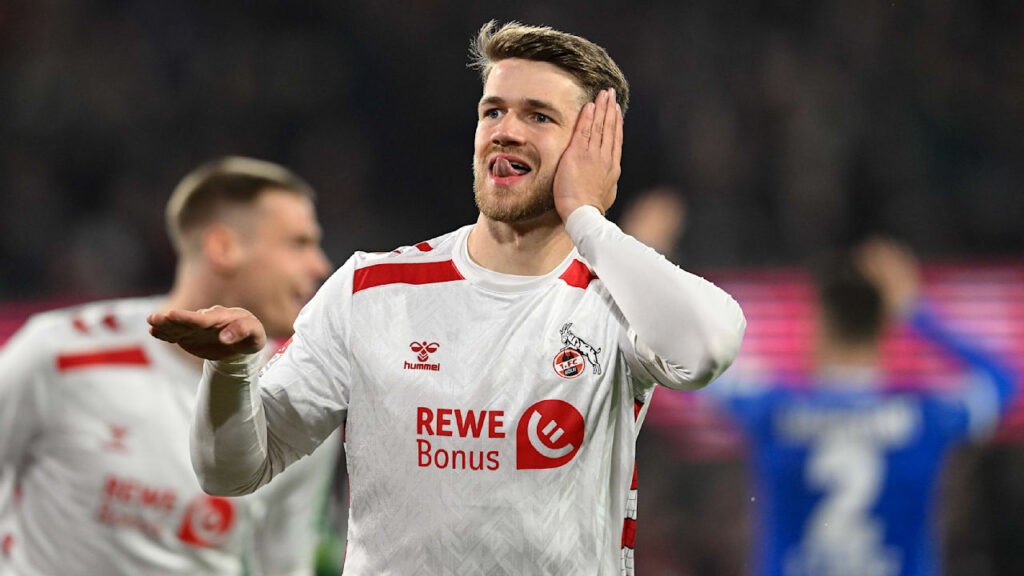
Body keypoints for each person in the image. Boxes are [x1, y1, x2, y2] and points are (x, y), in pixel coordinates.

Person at [150, 21, 747, 575]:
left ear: (593, 147)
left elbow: (707, 349)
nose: (506, 130)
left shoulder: (612, 300)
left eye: (538, 116)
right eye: (494, 111)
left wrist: (587, 217)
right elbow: (232, 470)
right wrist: (231, 370)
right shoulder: (371, 290)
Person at [0, 157, 340, 575]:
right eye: (299, 244)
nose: (320, 265)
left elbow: (286, 565)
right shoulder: (59, 355)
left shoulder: (299, 400)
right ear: (224, 248)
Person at [709, 239, 1017, 576]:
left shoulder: (774, 411)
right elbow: (1002, 381)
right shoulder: (923, 418)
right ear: (884, 327)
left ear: (820, 325)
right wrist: (917, 312)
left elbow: (693, 365)